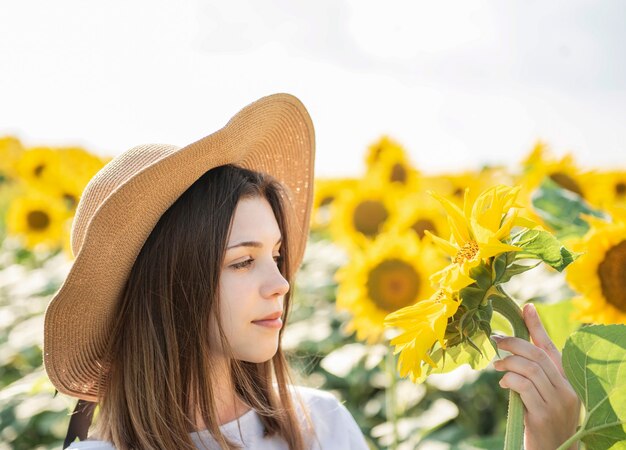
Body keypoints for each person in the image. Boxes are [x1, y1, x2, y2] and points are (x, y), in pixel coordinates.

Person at [43, 93, 580, 450]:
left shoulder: (319, 427)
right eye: (242, 261)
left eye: (276, 257)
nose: (280, 283)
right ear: (166, 289)